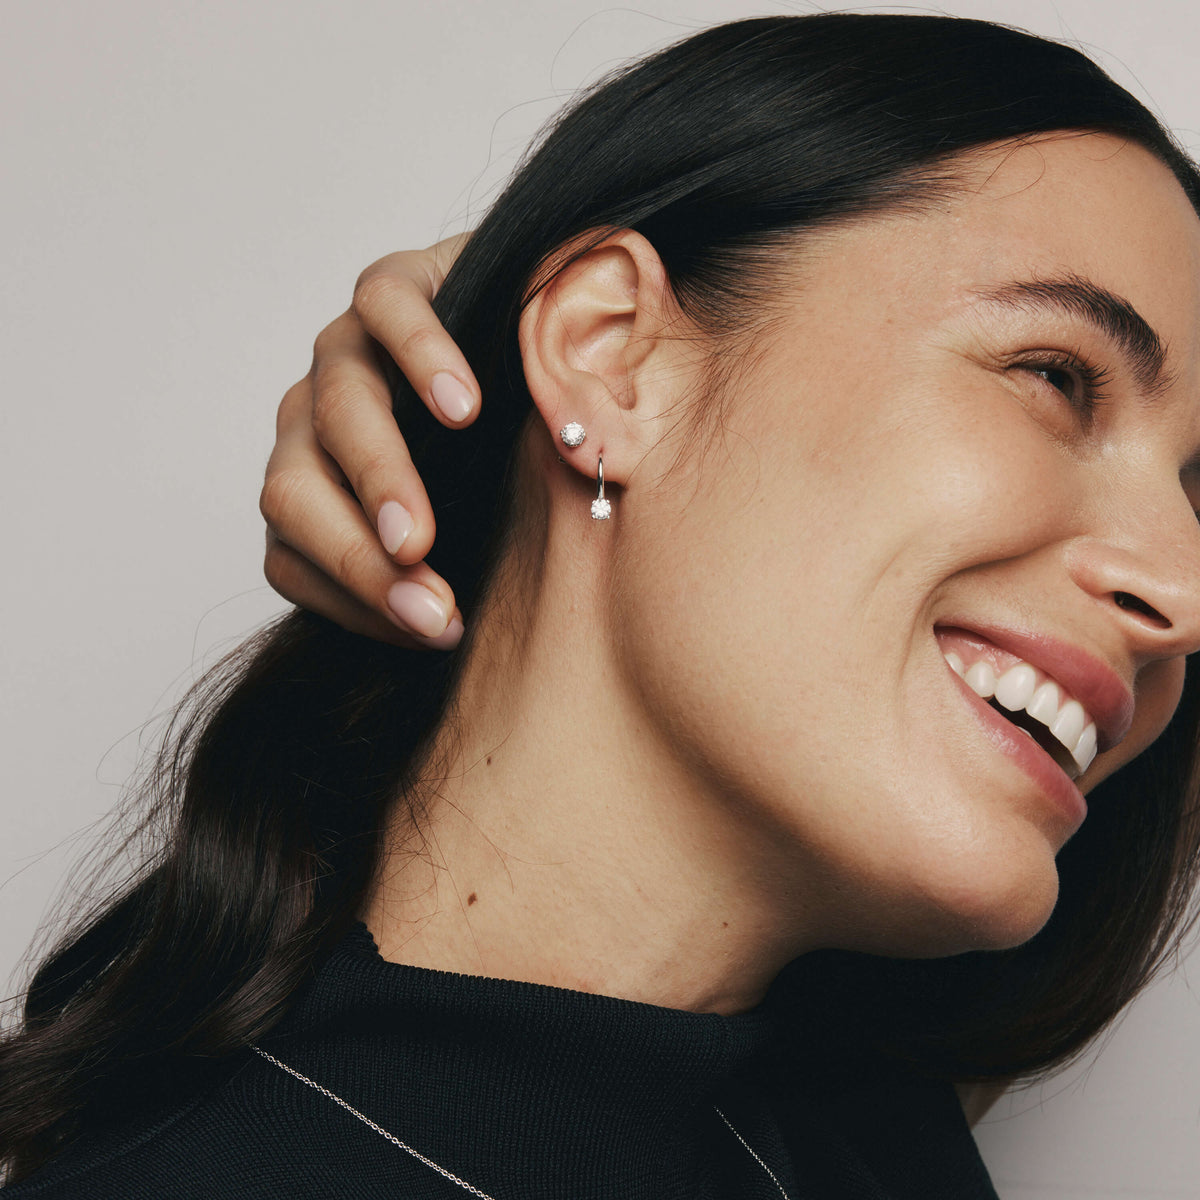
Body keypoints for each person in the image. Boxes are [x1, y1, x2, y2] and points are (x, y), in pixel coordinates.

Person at [3, 12, 1200, 1198]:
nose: (1184, 594)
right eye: (1056, 375)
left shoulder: (857, 1134)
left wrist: (526, 342)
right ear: (609, 349)